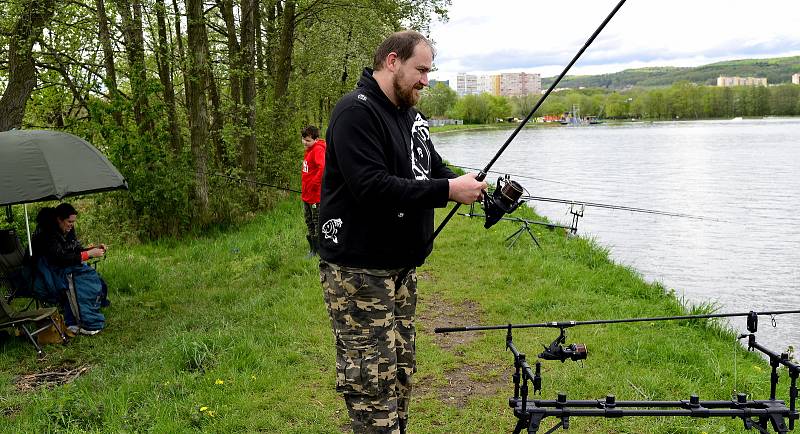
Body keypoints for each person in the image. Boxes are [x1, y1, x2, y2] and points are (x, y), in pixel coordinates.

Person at [317, 30, 487, 433]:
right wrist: (447, 191)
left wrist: (466, 184)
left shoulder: (410, 114)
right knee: (370, 379)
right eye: (421, 70)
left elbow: (428, 167)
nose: (426, 80)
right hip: (360, 272)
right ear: (392, 61)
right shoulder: (355, 113)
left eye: (429, 71)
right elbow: (373, 188)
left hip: (400, 270)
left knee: (400, 369)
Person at [30, 203, 109, 335]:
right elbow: (59, 258)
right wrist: (88, 255)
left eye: (73, 222)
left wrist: (92, 249)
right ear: (59, 219)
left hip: (63, 267)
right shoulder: (47, 234)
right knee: (79, 279)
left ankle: (84, 316)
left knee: (91, 276)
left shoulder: (67, 230)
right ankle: (81, 322)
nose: (72, 225)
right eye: (69, 222)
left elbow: (75, 250)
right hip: (46, 271)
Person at [301, 125, 326, 257]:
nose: (305, 142)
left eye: (308, 140)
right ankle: (312, 248)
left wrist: (314, 185)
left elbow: (322, 168)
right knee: (308, 220)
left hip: (315, 195)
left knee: (316, 222)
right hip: (306, 195)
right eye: (303, 139)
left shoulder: (318, 150)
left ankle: (318, 249)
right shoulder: (309, 149)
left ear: (316, 140)